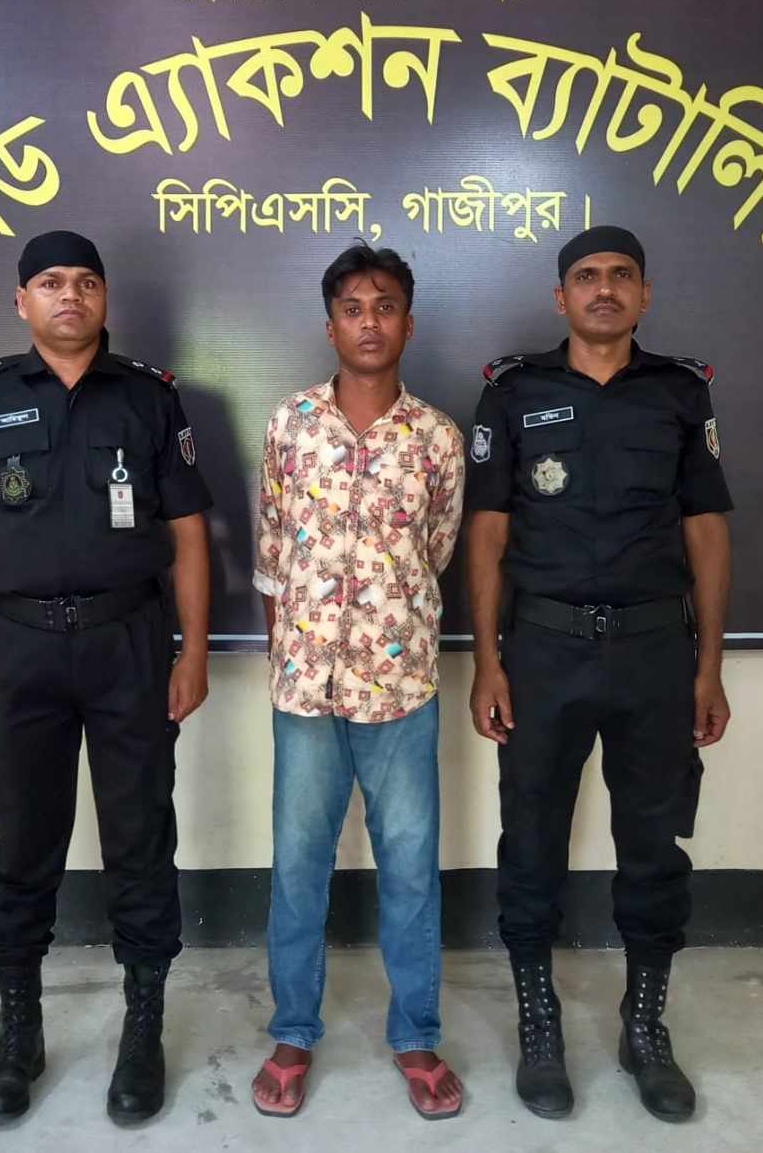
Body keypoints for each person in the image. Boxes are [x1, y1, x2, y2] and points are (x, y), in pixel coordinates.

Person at [0, 230, 212, 1124]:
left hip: (130, 642)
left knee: (141, 837)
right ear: (22, 300)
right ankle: (20, 1031)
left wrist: (194, 652)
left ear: (104, 298)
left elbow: (189, 534)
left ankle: (142, 1028)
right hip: (21, 650)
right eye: (50, 282)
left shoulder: (149, 397)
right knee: (23, 840)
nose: (70, 296)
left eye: (87, 282)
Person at [465, 226, 732, 1123]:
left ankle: (644, 1025)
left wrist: (709, 666)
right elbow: (488, 533)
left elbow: (707, 531)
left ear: (644, 294)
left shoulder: (681, 394)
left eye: (622, 276)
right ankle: (539, 1023)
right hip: (543, 651)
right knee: (531, 837)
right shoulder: (513, 392)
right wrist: (489, 661)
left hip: (655, 653)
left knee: (653, 845)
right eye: (586, 276)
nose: (604, 289)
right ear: (562, 297)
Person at [248, 242, 466, 1121]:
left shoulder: (438, 438)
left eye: (384, 306)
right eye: (351, 307)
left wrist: (387, 627)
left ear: (408, 324)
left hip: (400, 686)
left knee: (410, 867)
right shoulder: (290, 425)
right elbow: (273, 554)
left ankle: (415, 1033)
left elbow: (435, 552)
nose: (368, 322)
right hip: (304, 690)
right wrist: (294, 653)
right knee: (298, 865)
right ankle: (293, 1030)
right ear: (330, 323)